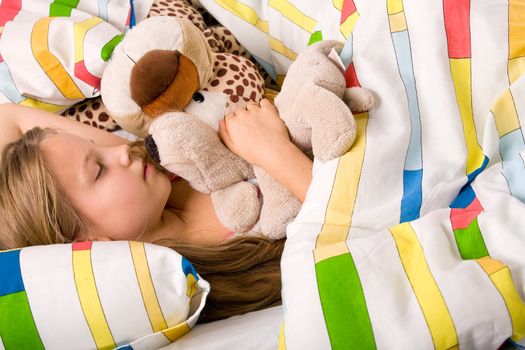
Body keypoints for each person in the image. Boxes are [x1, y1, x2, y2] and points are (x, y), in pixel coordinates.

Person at [0, 100, 313, 322]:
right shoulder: (203, 280)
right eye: (99, 169)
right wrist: (275, 152)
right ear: (89, 242)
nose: (121, 150)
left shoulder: (167, 169)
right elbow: (349, 230)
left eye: (99, 147)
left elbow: (8, 116)